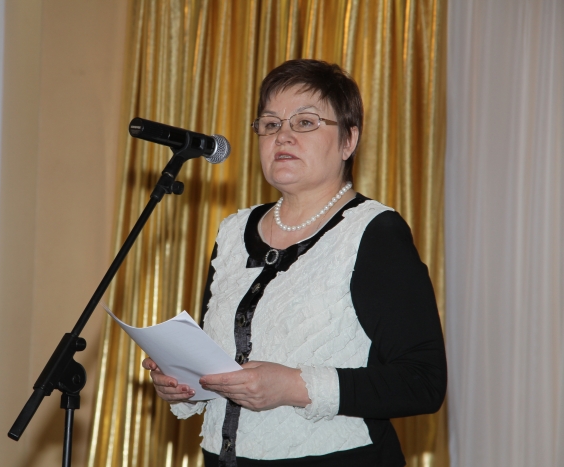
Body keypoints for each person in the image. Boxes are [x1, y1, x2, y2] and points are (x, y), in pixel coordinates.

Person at [142, 59, 447, 467]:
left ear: (348, 140)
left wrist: (293, 386)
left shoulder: (373, 232)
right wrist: (184, 381)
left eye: (305, 122)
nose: (282, 136)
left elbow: (423, 382)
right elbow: (222, 358)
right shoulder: (233, 232)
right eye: (270, 124)